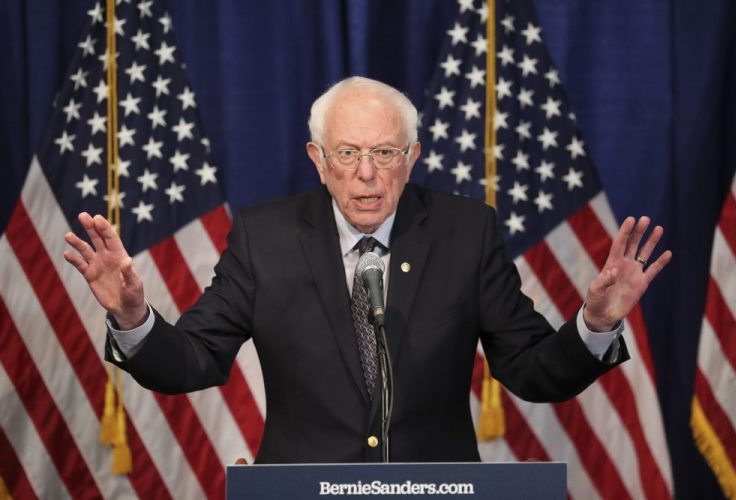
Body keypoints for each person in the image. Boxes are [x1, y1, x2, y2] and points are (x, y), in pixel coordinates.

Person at [63, 76, 672, 463]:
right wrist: (133, 316)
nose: (366, 174)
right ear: (318, 160)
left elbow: (535, 372)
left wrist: (593, 324)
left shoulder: (465, 233)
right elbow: (194, 361)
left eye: (384, 153)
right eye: (347, 154)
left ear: (411, 157)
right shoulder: (265, 237)